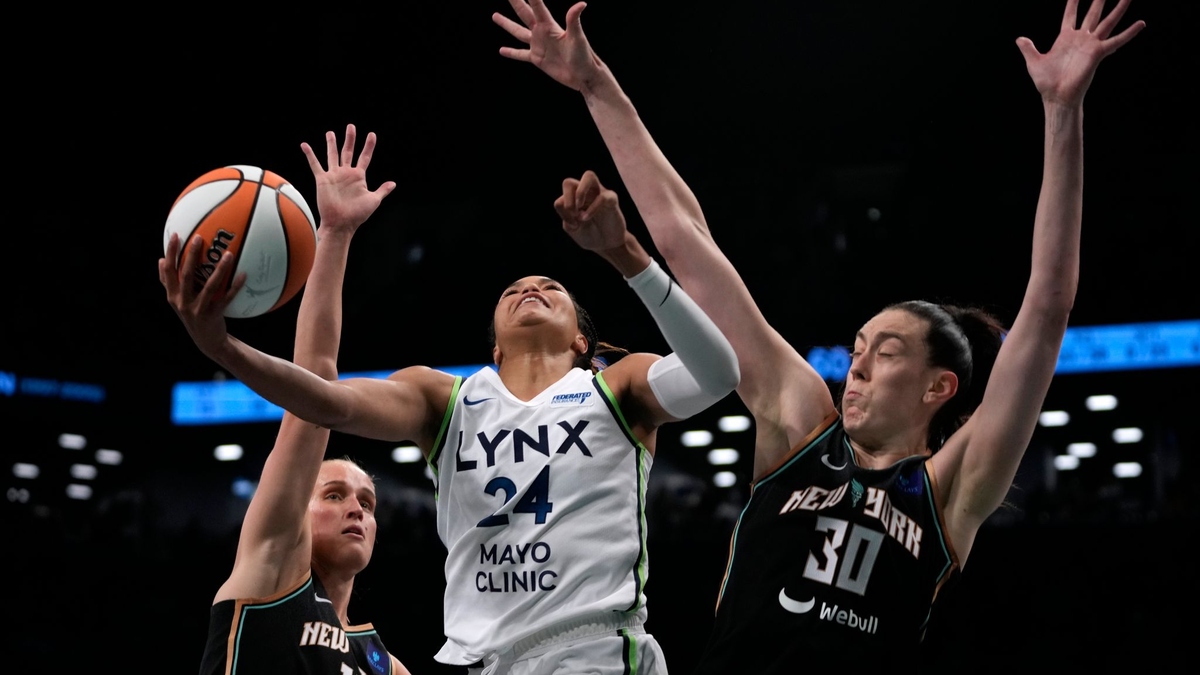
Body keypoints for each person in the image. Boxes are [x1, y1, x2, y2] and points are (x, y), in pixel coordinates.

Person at [493, 0, 1144, 668]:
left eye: (885, 353)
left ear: (938, 387)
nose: (856, 367)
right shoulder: (799, 424)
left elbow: (1045, 312)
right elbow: (686, 242)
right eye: (858, 348)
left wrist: (1063, 112)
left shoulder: (950, 489)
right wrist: (598, 84)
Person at [161, 127, 741, 671]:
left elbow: (717, 374)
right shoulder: (446, 399)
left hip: (589, 649)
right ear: (493, 347)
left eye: (550, 289)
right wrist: (226, 348)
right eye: (515, 289)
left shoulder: (617, 387)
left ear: (582, 339)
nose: (531, 289)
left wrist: (627, 257)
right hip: (481, 660)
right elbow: (324, 400)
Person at [170, 125, 412, 674]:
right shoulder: (274, 573)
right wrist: (334, 235)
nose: (356, 507)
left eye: (367, 503)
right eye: (332, 494)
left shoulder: (386, 665)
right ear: (293, 512)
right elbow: (316, 382)